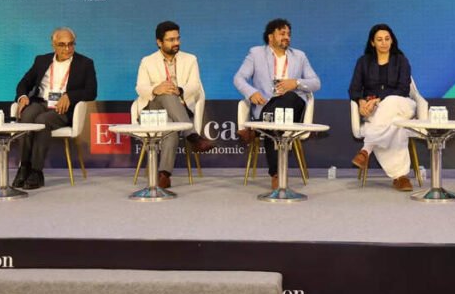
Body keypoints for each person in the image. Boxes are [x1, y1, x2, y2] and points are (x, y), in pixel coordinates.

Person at [233, 18, 321, 189]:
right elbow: (239, 78)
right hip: (266, 106)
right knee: (273, 122)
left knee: (287, 98)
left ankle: (256, 129)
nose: (287, 37)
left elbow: (316, 83)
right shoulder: (256, 53)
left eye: (288, 34)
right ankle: (276, 174)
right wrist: (251, 93)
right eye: (282, 33)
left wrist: (295, 83)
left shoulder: (299, 56)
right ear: (270, 37)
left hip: (293, 105)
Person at [13, 27, 97, 189]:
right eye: (62, 45)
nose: (67, 49)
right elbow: (24, 82)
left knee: (42, 121)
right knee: (27, 117)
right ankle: (24, 167)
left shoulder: (85, 63)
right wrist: (22, 96)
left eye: (71, 44)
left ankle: (36, 171)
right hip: (41, 102)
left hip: (63, 109)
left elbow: (91, 92)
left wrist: (70, 96)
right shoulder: (41, 60)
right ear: (53, 45)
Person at [134, 21, 216, 188]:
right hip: (153, 110)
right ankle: (192, 136)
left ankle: (164, 175)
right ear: (159, 42)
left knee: (170, 126)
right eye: (171, 40)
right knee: (165, 92)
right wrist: (156, 89)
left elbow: (195, 85)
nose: (176, 42)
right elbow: (140, 88)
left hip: (179, 109)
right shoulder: (147, 61)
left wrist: (178, 90)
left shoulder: (190, 59)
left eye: (177, 38)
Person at [348, 24, 416, 191]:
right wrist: (361, 102)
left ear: (392, 41)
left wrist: (378, 100)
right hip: (376, 112)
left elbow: (403, 89)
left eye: (387, 39)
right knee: (396, 125)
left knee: (391, 101)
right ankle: (400, 177)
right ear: (372, 43)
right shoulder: (363, 62)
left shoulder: (401, 60)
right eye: (379, 39)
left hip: (403, 105)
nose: (384, 42)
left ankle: (366, 149)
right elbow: (354, 89)